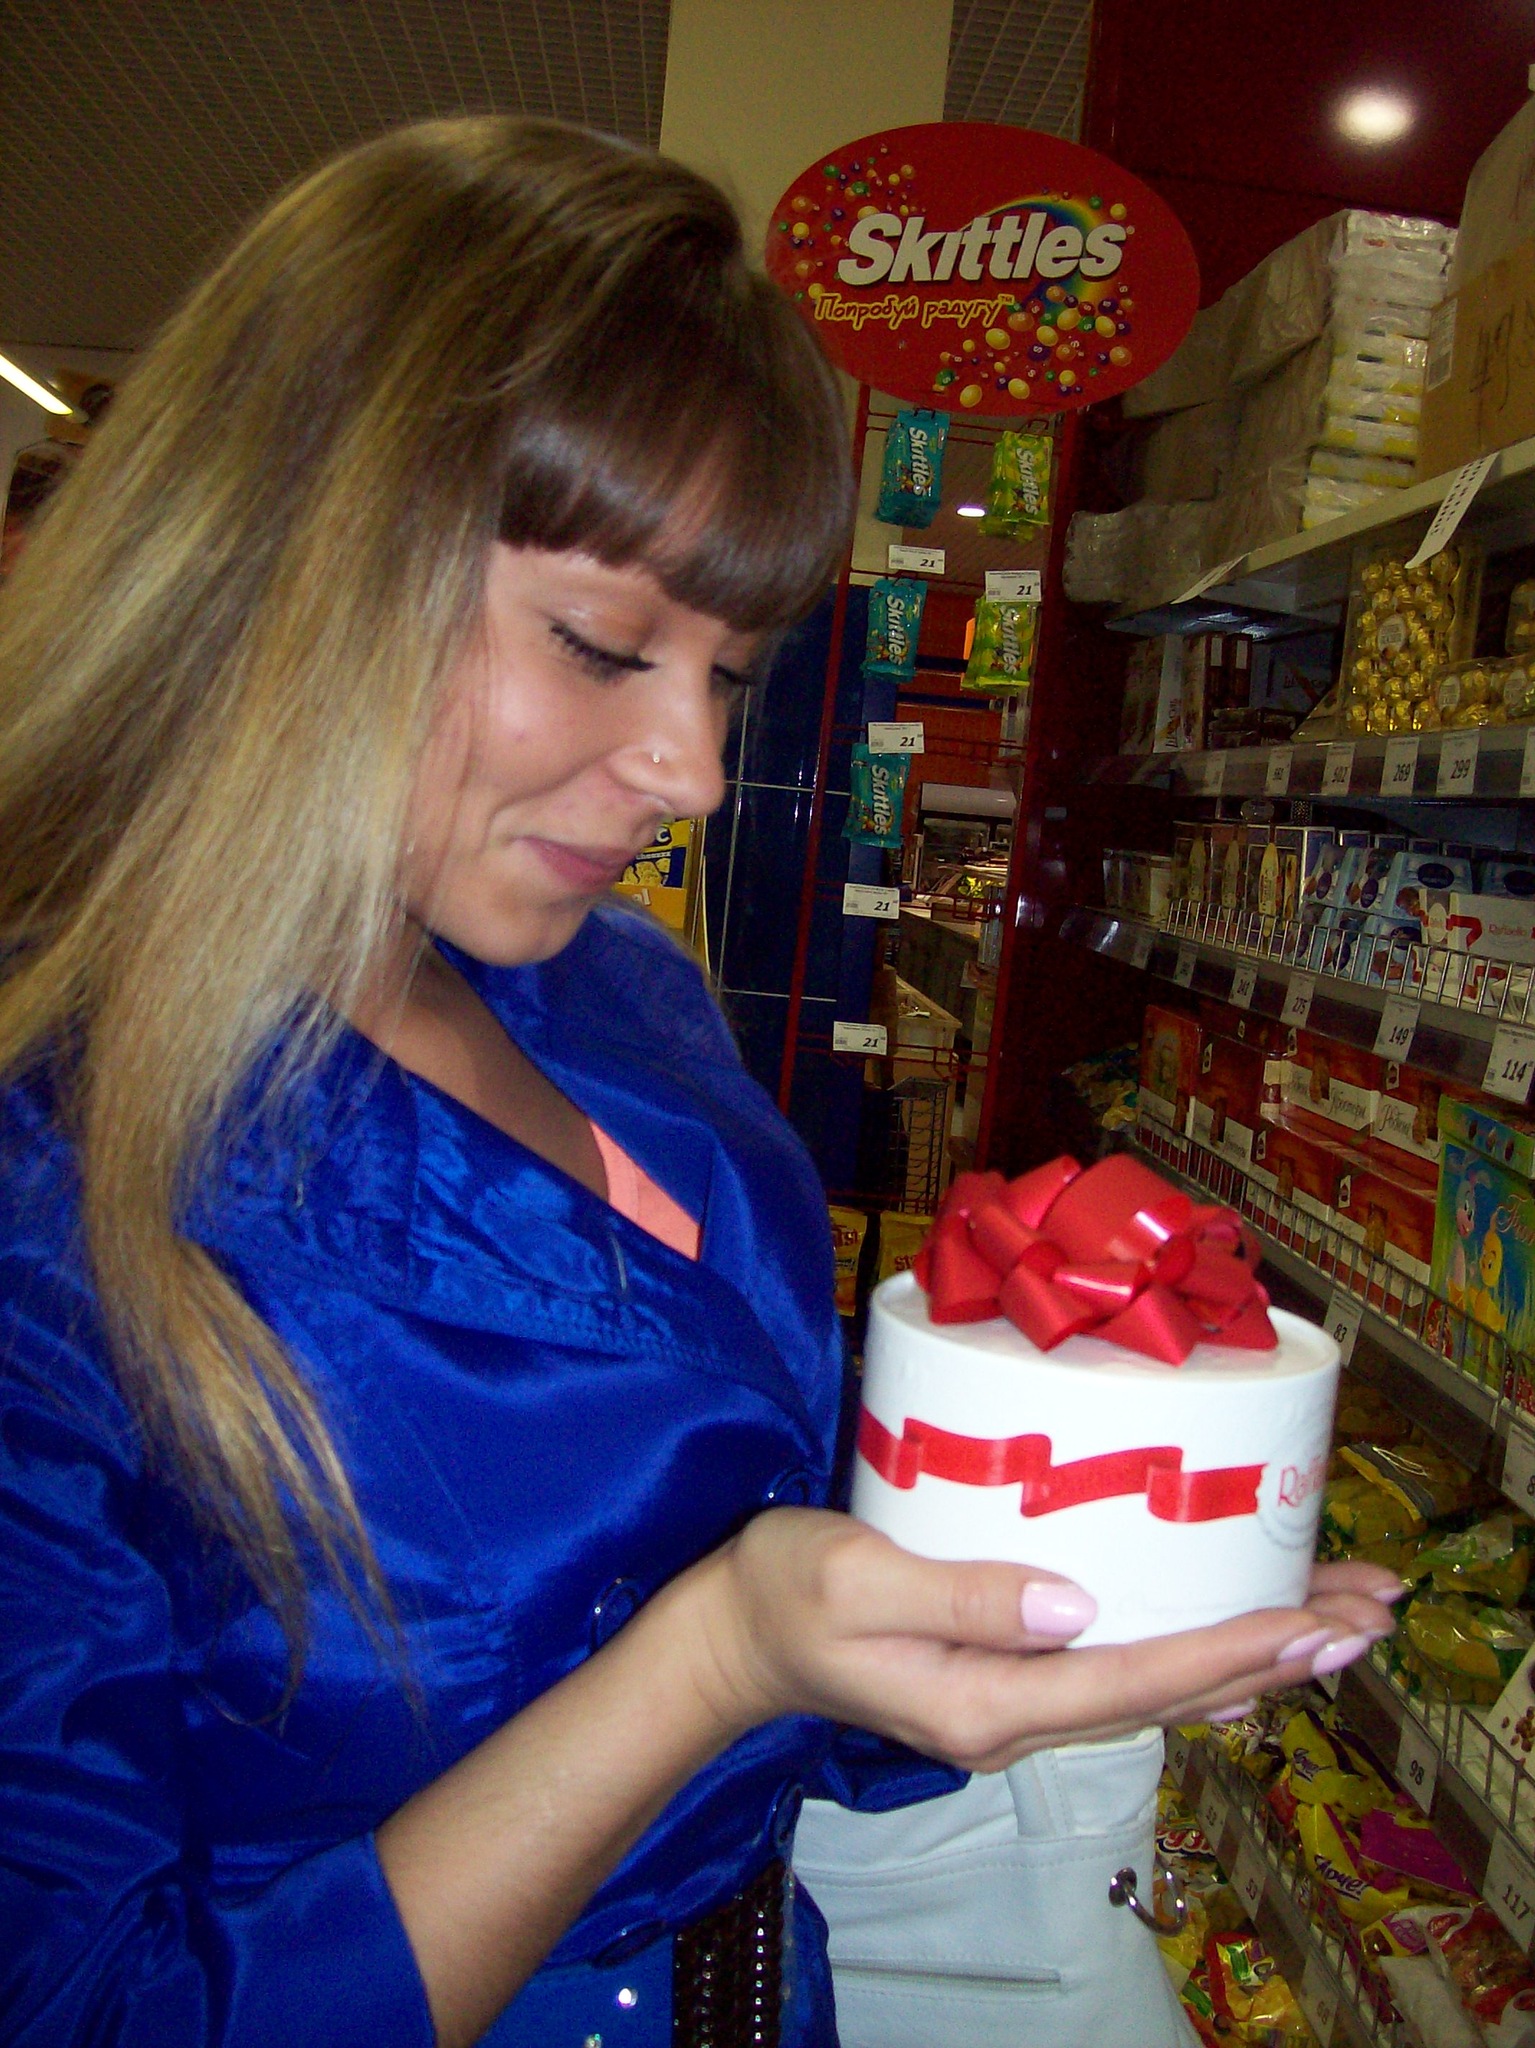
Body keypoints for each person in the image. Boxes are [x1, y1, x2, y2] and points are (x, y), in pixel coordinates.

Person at [0, 116, 1398, 2048]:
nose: (694, 771)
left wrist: (1053, 1605)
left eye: (729, 672)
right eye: (603, 645)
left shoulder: (617, 994)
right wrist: (715, 1661)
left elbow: (746, 1570)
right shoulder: (51, 1173)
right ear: (280, 564)